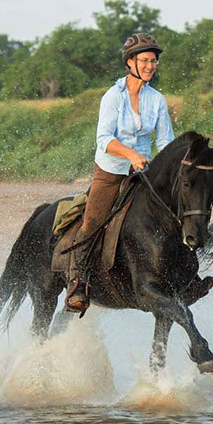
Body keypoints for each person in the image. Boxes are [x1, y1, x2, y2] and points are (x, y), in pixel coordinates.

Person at [65, 33, 174, 313]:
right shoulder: (112, 97)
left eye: (153, 61)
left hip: (144, 173)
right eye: (145, 60)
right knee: (92, 221)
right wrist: (132, 155)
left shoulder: (157, 99)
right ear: (130, 62)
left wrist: (170, 166)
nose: (150, 65)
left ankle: (185, 275)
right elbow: (104, 138)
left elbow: (164, 142)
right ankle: (78, 282)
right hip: (111, 171)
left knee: (177, 212)